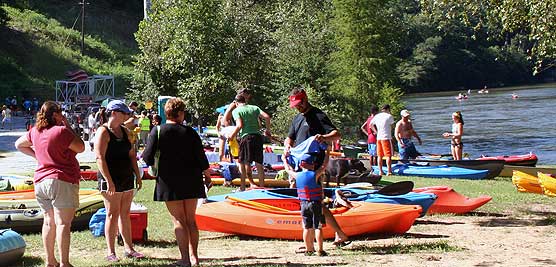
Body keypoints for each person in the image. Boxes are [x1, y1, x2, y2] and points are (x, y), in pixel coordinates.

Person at [142, 97, 212, 267]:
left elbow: (147, 157)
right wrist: (208, 176)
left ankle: (185, 259)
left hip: (168, 180)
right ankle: (195, 258)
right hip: (192, 179)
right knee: (191, 220)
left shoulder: (157, 131)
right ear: (180, 113)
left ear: (166, 113)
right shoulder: (191, 132)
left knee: (178, 220)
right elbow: (202, 158)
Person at [15, 101, 85, 267]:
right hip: (61, 180)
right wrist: (68, 127)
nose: (62, 116)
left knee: (48, 222)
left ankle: (50, 261)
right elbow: (81, 147)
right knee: (63, 223)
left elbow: (18, 144)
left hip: (40, 181)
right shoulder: (61, 131)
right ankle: (64, 263)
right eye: (60, 113)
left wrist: (37, 156)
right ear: (55, 115)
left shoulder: (35, 131)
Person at [282, 86, 349, 247]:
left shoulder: (318, 115)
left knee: (316, 202)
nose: (297, 107)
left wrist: (323, 137)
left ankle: (336, 234)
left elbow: (336, 134)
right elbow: (289, 138)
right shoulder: (297, 119)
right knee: (309, 201)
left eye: (299, 103)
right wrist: (287, 146)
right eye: (295, 105)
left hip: (314, 167)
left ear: (305, 99)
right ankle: (313, 239)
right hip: (299, 167)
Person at [94, 100, 144, 262]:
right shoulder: (103, 132)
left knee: (125, 214)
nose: (128, 116)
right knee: (111, 214)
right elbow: (99, 158)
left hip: (126, 177)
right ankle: (111, 251)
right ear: (114, 113)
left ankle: (129, 248)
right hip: (110, 179)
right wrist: (109, 181)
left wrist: (137, 175)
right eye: (124, 113)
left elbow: (132, 155)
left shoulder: (125, 131)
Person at [228, 94, 271, 190]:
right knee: (259, 163)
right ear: (245, 101)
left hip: (246, 138)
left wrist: (232, 136)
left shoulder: (236, 110)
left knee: (244, 162)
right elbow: (267, 117)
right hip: (258, 137)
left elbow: (239, 125)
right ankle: (262, 186)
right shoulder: (254, 108)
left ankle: (244, 186)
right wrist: (268, 130)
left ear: (236, 103)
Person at [296, 153, 327, 257]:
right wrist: (327, 153)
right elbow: (324, 166)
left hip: (303, 204)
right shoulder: (315, 174)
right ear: (312, 164)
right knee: (318, 227)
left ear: (301, 165)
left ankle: (308, 249)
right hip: (315, 203)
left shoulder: (297, 175)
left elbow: (287, 168)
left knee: (306, 227)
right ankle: (320, 250)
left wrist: (285, 159)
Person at [369, 104, 395, 175]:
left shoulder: (377, 116)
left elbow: (370, 125)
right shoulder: (389, 116)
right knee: (388, 155)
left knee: (380, 155)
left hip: (379, 138)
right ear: (388, 109)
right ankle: (389, 171)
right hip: (386, 137)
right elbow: (393, 126)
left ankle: (380, 171)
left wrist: (376, 132)